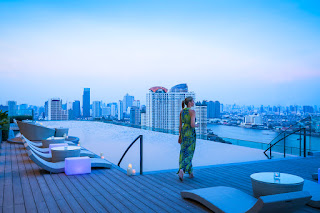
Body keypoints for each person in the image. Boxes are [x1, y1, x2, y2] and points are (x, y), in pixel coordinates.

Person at [178, 96, 198, 181]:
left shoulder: (182, 111)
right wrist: (198, 125)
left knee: (183, 152)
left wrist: (179, 136)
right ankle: (182, 169)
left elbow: (180, 125)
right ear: (189, 102)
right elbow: (192, 124)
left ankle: (190, 173)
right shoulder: (192, 111)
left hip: (183, 133)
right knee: (190, 153)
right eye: (193, 101)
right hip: (190, 134)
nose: (194, 103)